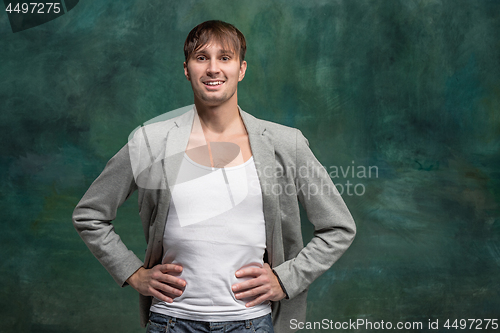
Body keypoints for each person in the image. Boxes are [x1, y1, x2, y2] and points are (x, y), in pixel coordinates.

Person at [73, 20, 356, 333]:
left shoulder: (285, 143)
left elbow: (338, 227)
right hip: (170, 321)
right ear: (186, 69)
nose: (213, 69)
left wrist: (287, 279)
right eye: (201, 57)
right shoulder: (151, 141)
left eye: (225, 58)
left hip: (252, 323)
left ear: (241, 68)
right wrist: (133, 272)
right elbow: (90, 215)